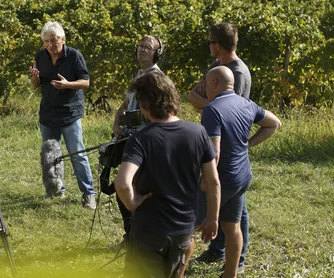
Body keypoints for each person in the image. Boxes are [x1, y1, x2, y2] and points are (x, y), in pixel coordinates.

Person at [115, 71, 221, 278]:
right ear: (173, 98)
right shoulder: (198, 133)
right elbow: (213, 181)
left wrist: (132, 203)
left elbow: (122, 183)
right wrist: (212, 218)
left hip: (149, 230)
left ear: (144, 106)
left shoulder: (141, 139)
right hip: (183, 229)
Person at [198, 66, 282, 278]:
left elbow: (214, 152)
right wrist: (247, 144)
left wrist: (205, 180)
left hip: (222, 178)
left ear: (215, 83)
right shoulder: (246, 104)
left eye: (206, 84)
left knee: (190, 227)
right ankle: (231, 274)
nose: (205, 88)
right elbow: (274, 123)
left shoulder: (212, 110)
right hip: (242, 177)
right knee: (232, 226)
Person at [188, 22, 252, 268]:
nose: (208, 47)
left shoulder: (238, 73)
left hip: (229, 147)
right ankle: (217, 249)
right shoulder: (217, 67)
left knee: (236, 206)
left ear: (218, 45)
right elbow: (193, 94)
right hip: (214, 138)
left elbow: (232, 109)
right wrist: (209, 103)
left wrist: (208, 104)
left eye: (209, 43)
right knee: (227, 203)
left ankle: (239, 259)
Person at [29, 21, 96, 209]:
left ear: (63, 39)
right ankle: (56, 190)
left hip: (70, 112)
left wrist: (68, 85)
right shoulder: (40, 56)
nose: (51, 45)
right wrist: (34, 77)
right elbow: (36, 84)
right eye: (47, 41)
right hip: (48, 113)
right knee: (50, 155)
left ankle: (89, 194)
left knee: (77, 154)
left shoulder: (74, 56)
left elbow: (85, 82)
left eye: (54, 40)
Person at [110, 35, 164, 241]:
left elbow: (158, 112)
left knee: (134, 188)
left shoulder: (155, 78)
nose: (142, 50)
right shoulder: (139, 75)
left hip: (146, 142)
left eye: (148, 48)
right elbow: (125, 105)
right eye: (140, 46)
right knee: (124, 188)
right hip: (130, 140)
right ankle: (131, 235)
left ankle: (138, 236)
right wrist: (117, 123)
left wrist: (132, 121)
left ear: (157, 54)